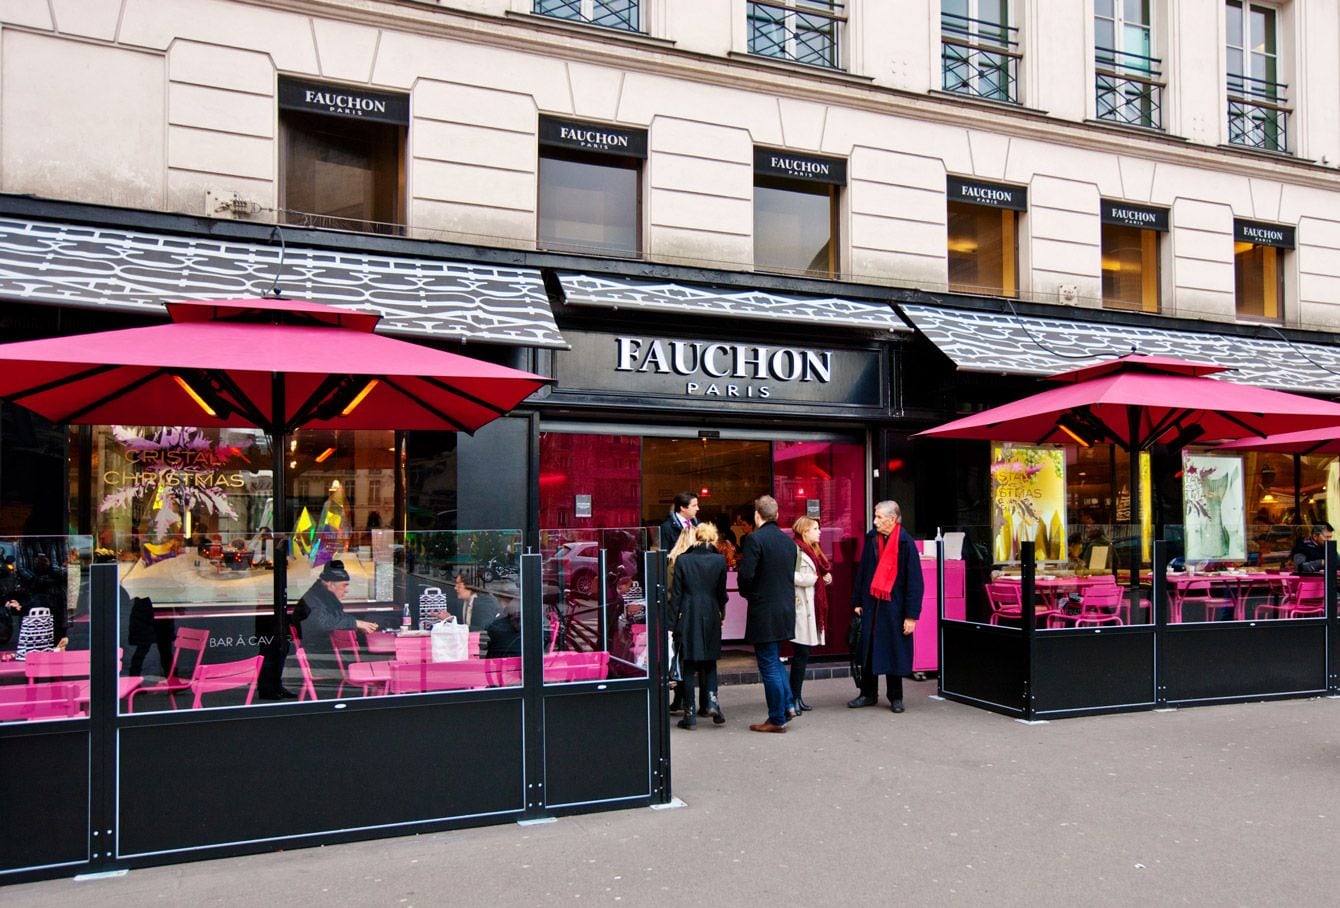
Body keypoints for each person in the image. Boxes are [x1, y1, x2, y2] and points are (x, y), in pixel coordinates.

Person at [260, 559, 375, 700]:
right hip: (319, 655)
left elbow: (331, 618)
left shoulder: (321, 596)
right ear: (330, 584)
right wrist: (355, 623)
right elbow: (323, 623)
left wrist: (356, 624)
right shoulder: (316, 600)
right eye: (344, 585)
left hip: (317, 650)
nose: (346, 590)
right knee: (373, 664)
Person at [849, 500, 924, 714]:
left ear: (892, 519)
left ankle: (896, 697)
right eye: (875, 516)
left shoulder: (905, 543)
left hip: (894, 607)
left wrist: (911, 616)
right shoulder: (872, 538)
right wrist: (857, 601)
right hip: (872, 604)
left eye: (879, 517)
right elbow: (863, 571)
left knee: (894, 650)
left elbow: (915, 582)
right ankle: (868, 694)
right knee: (869, 650)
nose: (875, 521)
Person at [737, 494, 798, 733]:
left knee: (769, 664)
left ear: (756, 515)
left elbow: (747, 575)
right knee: (775, 659)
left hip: (764, 609)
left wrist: (748, 593)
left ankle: (777, 718)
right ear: (777, 514)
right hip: (785, 608)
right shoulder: (787, 541)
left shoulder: (755, 539)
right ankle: (787, 705)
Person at [668, 522, 728, 729]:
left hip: (688, 614)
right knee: (710, 661)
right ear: (713, 539)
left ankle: (690, 714)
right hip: (711, 612)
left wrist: (671, 624)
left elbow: (676, 595)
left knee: (688, 663)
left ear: (696, 537)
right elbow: (722, 594)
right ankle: (712, 702)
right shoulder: (720, 560)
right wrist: (721, 614)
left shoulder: (683, 560)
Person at [790, 516, 832, 714]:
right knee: (801, 653)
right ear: (805, 531)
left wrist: (825, 577)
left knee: (803, 654)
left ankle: (797, 696)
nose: (819, 531)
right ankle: (793, 698)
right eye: (815, 528)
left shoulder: (813, 549)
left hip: (810, 607)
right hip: (800, 607)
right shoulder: (795, 549)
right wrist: (813, 579)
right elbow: (789, 574)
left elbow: (819, 573)